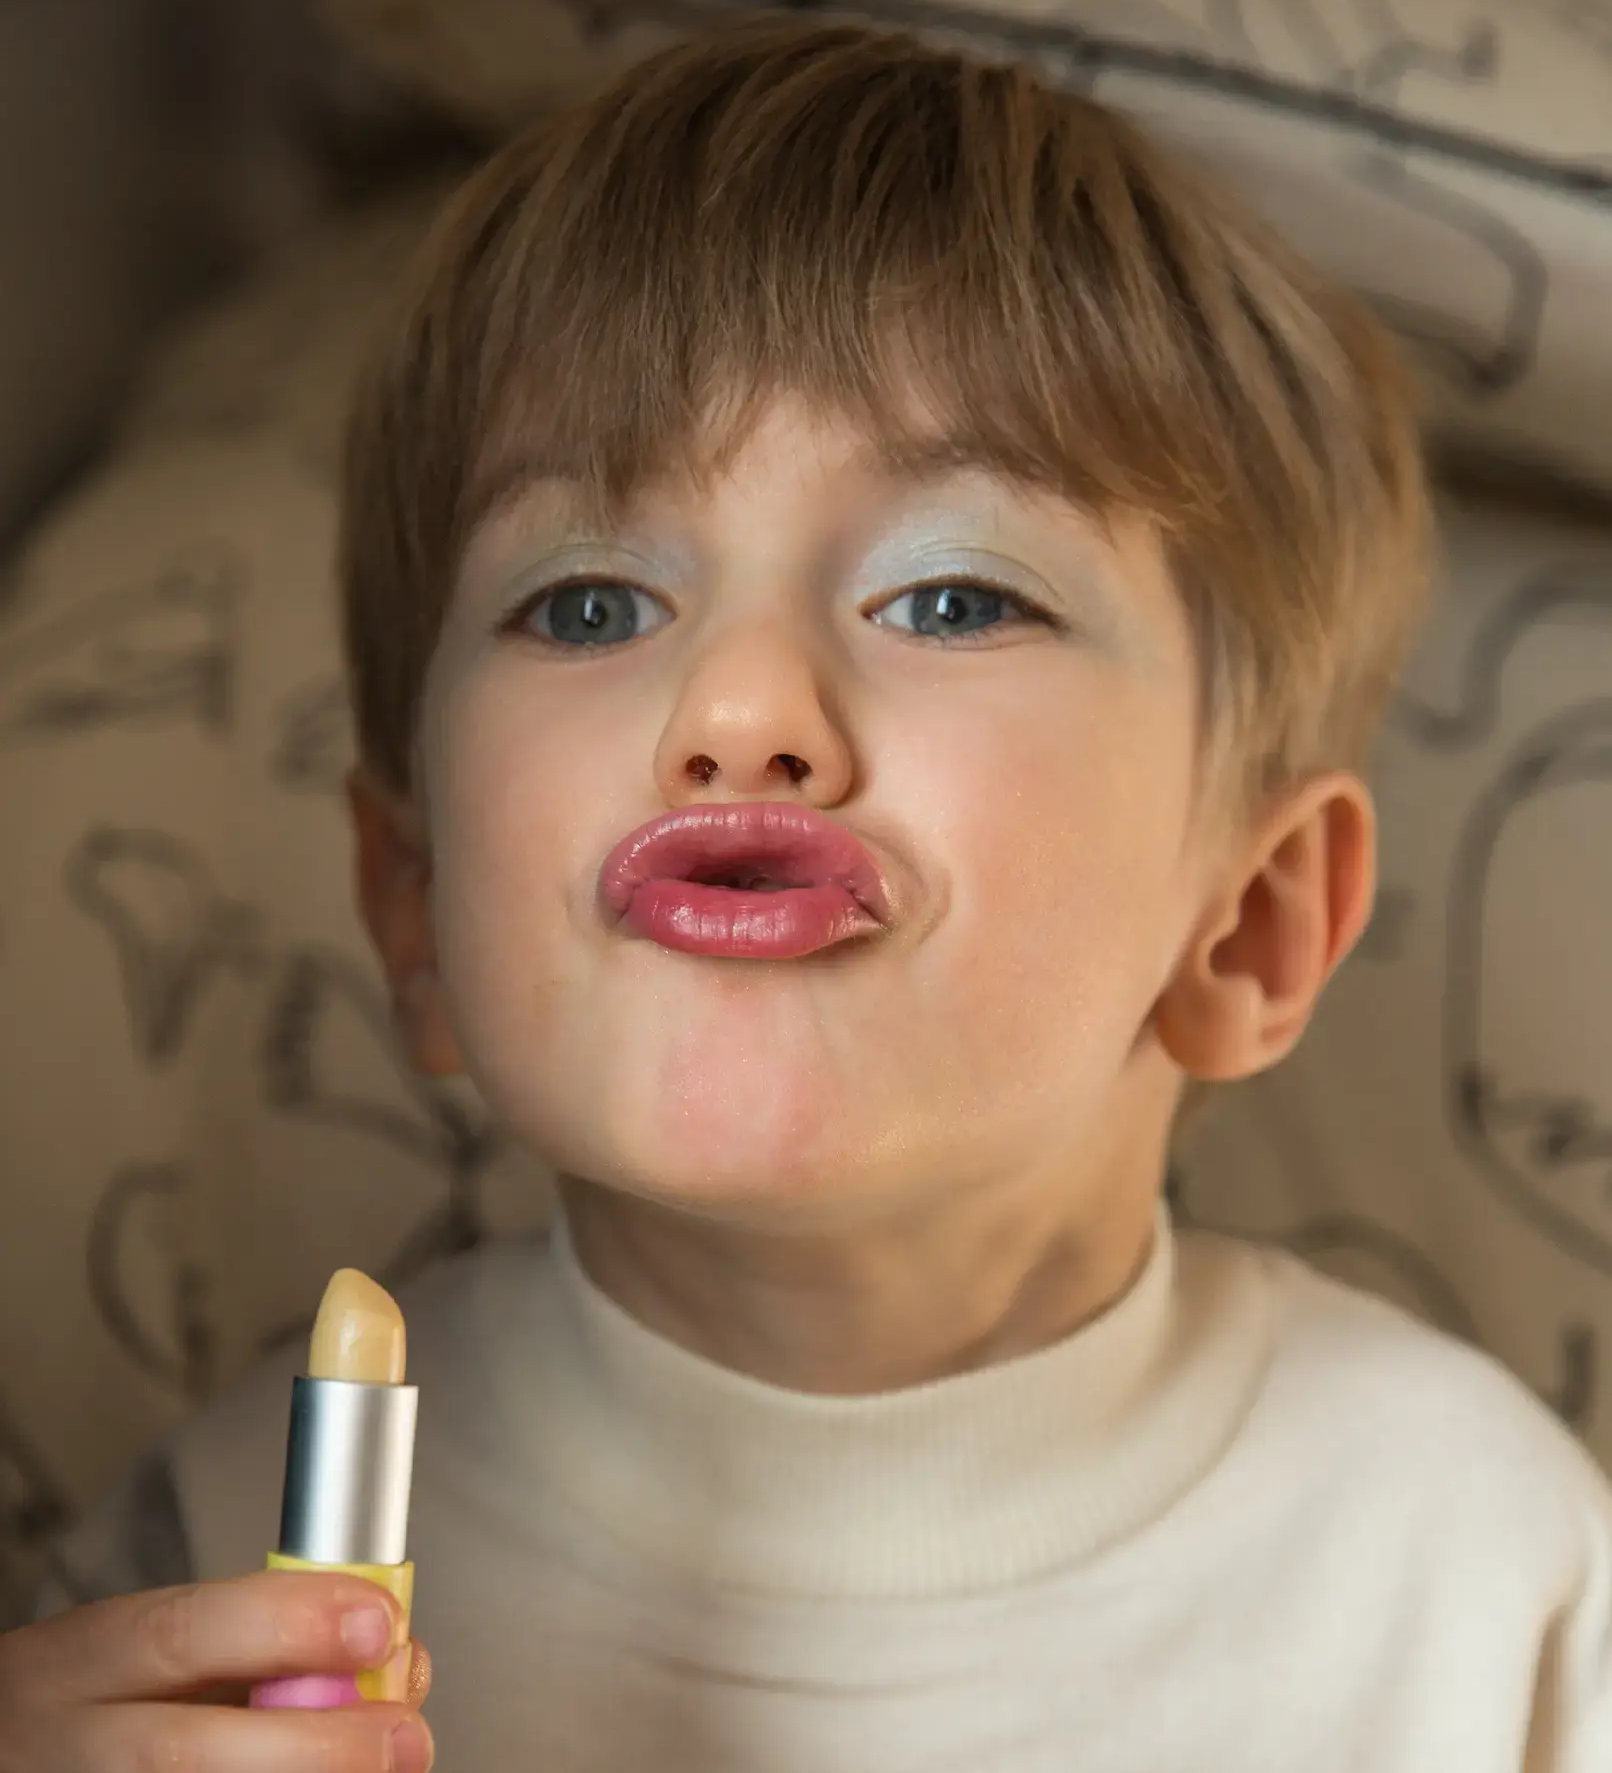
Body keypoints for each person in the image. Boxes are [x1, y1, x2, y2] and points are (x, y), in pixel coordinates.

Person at [4, 14, 1610, 1771]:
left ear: (1254, 921)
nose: (741, 713)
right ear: (416, 906)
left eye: (950, 600)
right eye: (592, 606)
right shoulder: (221, 1568)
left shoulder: (1481, 1580)